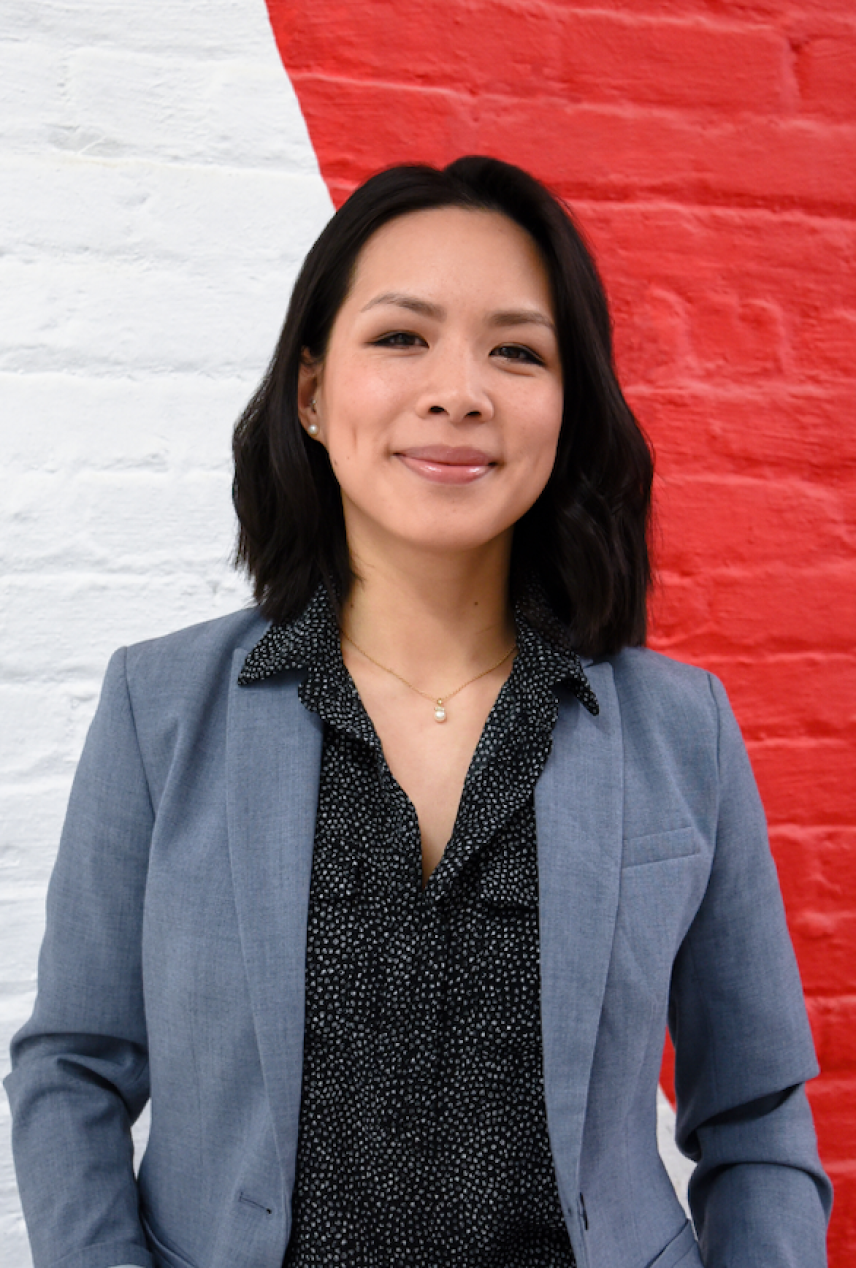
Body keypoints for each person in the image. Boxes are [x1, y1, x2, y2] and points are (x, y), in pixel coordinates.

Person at [5, 156, 831, 1268]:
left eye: (517, 351)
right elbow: (73, 1069)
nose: (458, 391)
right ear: (311, 392)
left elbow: (756, 1112)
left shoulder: (683, 730)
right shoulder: (160, 709)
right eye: (401, 337)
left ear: (568, 406)